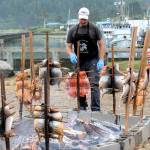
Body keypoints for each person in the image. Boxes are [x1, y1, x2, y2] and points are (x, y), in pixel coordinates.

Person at [66, 7, 105, 111]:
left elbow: (101, 44)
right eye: (81, 19)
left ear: (88, 18)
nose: (83, 21)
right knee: (80, 83)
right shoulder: (73, 30)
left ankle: (96, 109)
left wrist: (101, 59)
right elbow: (68, 45)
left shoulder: (94, 29)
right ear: (78, 18)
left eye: (85, 19)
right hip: (79, 60)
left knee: (94, 84)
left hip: (92, 59)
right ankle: (82, 106)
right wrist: (71, 54)